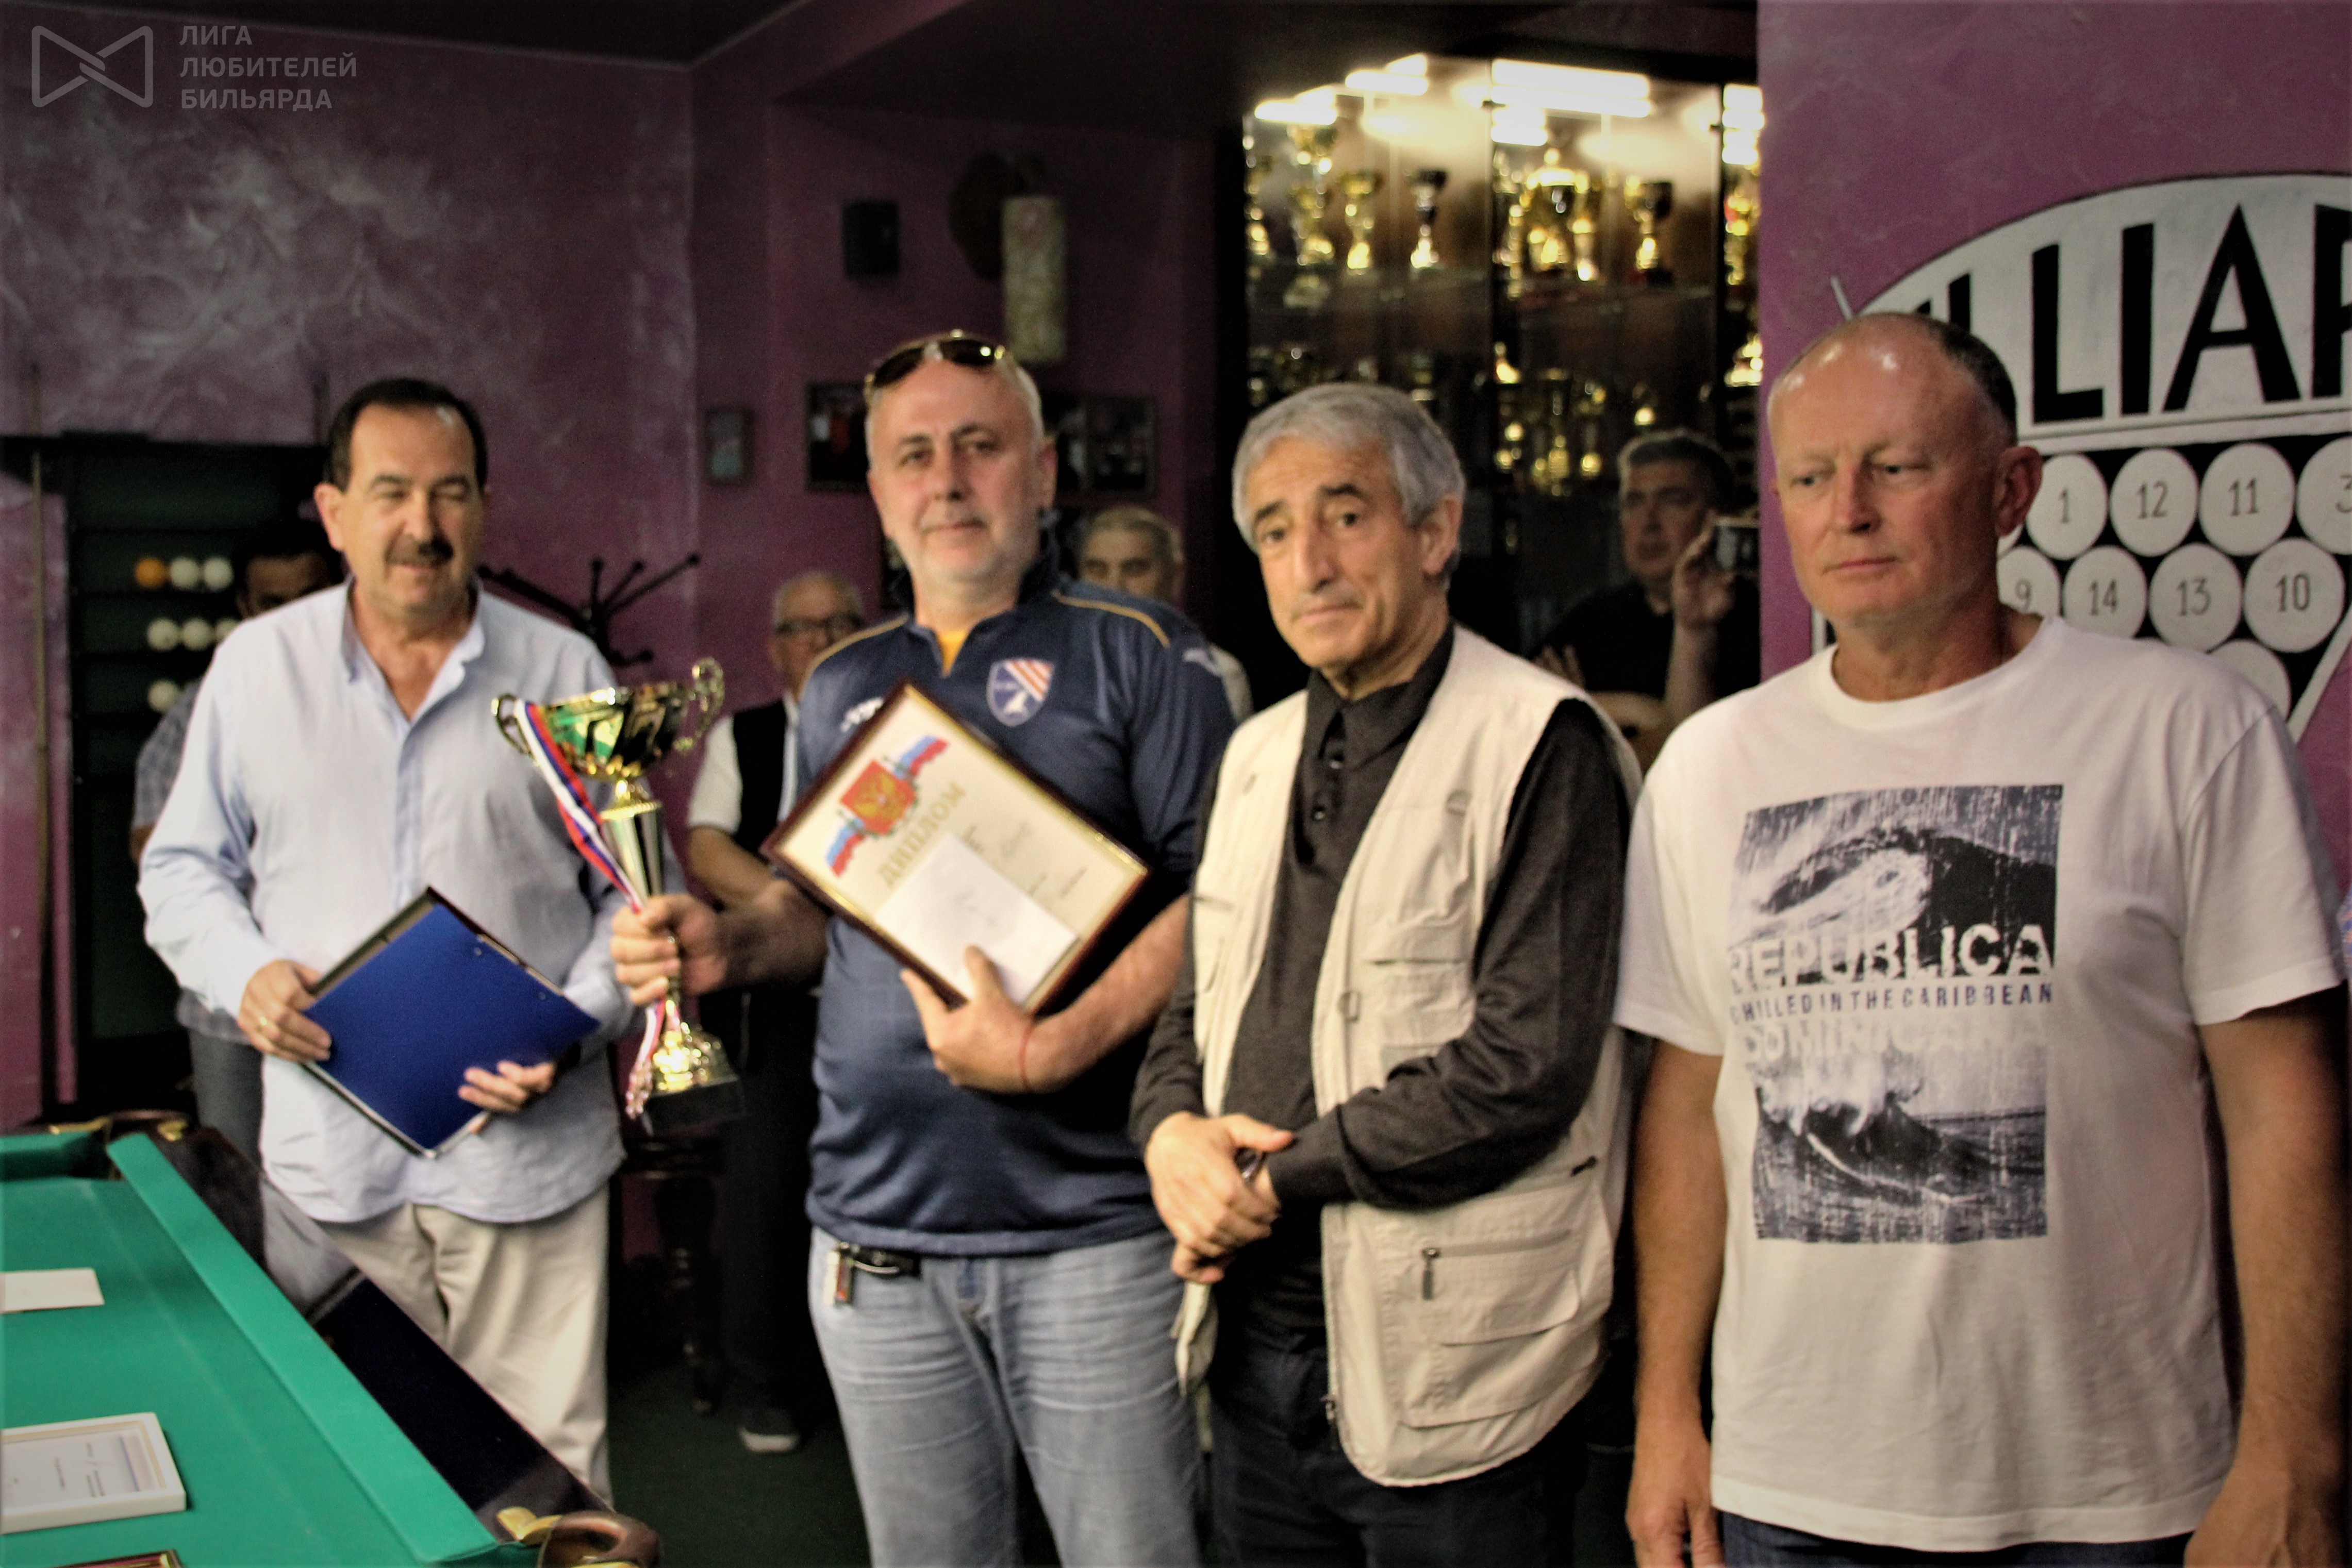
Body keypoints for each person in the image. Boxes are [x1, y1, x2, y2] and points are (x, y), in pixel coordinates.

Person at [1618, 314, 2346, 1566]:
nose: (1847, 511)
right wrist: (1665, 1415)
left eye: (1894, 467)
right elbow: (1688, 1108)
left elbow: (2282, 1106)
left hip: (2111, 1494)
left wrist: (2294, 1455)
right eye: (1809, 477)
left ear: (2011, 490)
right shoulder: (1707, 765)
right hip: (1789, 1489)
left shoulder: (2185, 729)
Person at [612, 330, 1235, 1566]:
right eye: (912, 455)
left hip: (1094, 1231)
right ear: (879, 493)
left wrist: (1055, 1045)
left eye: (978, 445)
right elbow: (815, 914)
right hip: (874, 1235)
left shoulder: (1149, 655)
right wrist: (729, 946)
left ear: (1043, 472)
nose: (945, 480)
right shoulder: (842, 683)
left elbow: (1223, 906)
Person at [1131, 382, 1642, 1563]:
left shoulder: (1540, 740)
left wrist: (1266, 1181)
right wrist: (1168, 1138)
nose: (1307, 562)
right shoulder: (1252, 754)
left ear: (1434, 531)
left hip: (1458, 1356)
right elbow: (1191, 1014)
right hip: (1252, 1341)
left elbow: (1522, 1069)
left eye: (1345, 516)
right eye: (1273, 531)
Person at [141, 377, 634, 1495]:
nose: (423, 524)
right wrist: (245, 974)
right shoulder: (256, 668)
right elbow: (179, 868)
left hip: (530, 1154)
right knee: (357, 1475)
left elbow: (632, 896)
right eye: (392, 492)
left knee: (551, 1480)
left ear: (485, 506)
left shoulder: (567, 673)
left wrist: (571, 1027)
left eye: (451, 493)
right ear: (334, 512)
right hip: (332, 1161)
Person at [683, 568, 864, 1456]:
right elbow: (706, 849)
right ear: (773, 646)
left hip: (875, 1008)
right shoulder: (743, 734)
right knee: (763, 1194)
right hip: (770, 1012)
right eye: (802, 627)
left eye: (840, 624)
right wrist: (804, 914)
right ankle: (764, 1383)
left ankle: (859, 1381)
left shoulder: (890, 728)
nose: (821, 641)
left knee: (869, 1191)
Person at [131, 515, 341, 1162]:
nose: (293, 618)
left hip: (349, 996)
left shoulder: (373, 697)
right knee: (237, 1179)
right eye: (274, 603)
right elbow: (153, 849)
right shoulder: (207, 706)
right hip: (231, 1010)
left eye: (309, 597)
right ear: (247, 607)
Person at [1537, 430, 1760, 766]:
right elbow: (1527, 720)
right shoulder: (1592, 620)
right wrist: (1643, 712)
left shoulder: (1754, 622)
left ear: (1717, 518)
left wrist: (1588, 710)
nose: (1649, 522)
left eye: (1673, 500)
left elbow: (1688, 758)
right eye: (1634, 503)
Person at [1076, 503, 1254, 719]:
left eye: (1134, 569)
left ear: (1174, 577)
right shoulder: (1051, 663)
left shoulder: (1217, 673)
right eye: (1097, 570)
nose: (1114, 587)